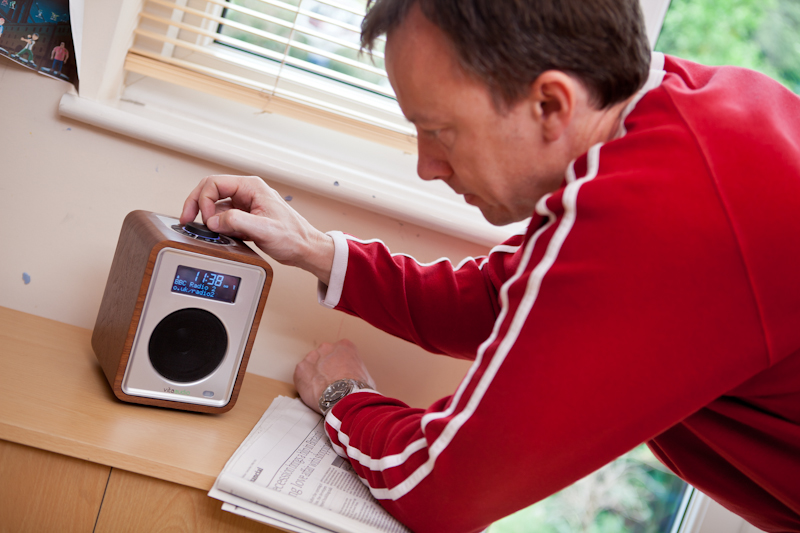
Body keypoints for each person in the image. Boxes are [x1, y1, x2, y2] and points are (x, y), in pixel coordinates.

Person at [181, 1, 800, 531]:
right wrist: (314, 248)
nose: (428, 166)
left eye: (440, 132)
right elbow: (505, 299)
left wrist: (343, 397)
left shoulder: (661, 210)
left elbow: (442, 492)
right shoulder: (680, 119)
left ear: (551, 104)